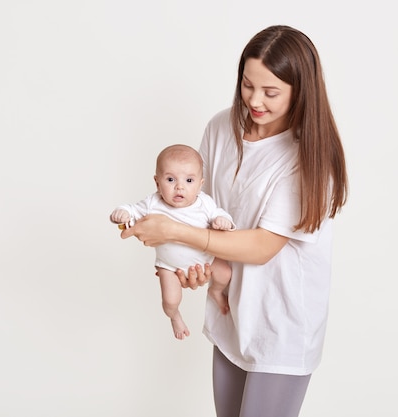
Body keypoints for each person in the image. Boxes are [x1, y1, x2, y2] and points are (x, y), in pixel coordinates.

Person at [121, 25, 348, 417]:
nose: (254, 100)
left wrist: (173, 230)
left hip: (281, 324)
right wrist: (197, 269)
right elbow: (203, 212)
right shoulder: (220, 127)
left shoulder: (307, 158)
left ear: (300, 91)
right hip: (230, 311)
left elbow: (262, 246)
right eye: (247, 85)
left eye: (270, 92)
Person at [110, 144, 235, 340]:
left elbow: (219, 214)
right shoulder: (153, 203)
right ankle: (175, 316)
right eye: (170, 179)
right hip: (170, 267)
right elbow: (133, 211)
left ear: (200, 183)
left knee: (225, 273)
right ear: (157, 182)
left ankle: (216, 291)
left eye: (189, 180)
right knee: (170, 300)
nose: (179, 186)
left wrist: (222, 220)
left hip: (206, 259)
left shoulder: (205, 203)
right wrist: (122, 213)